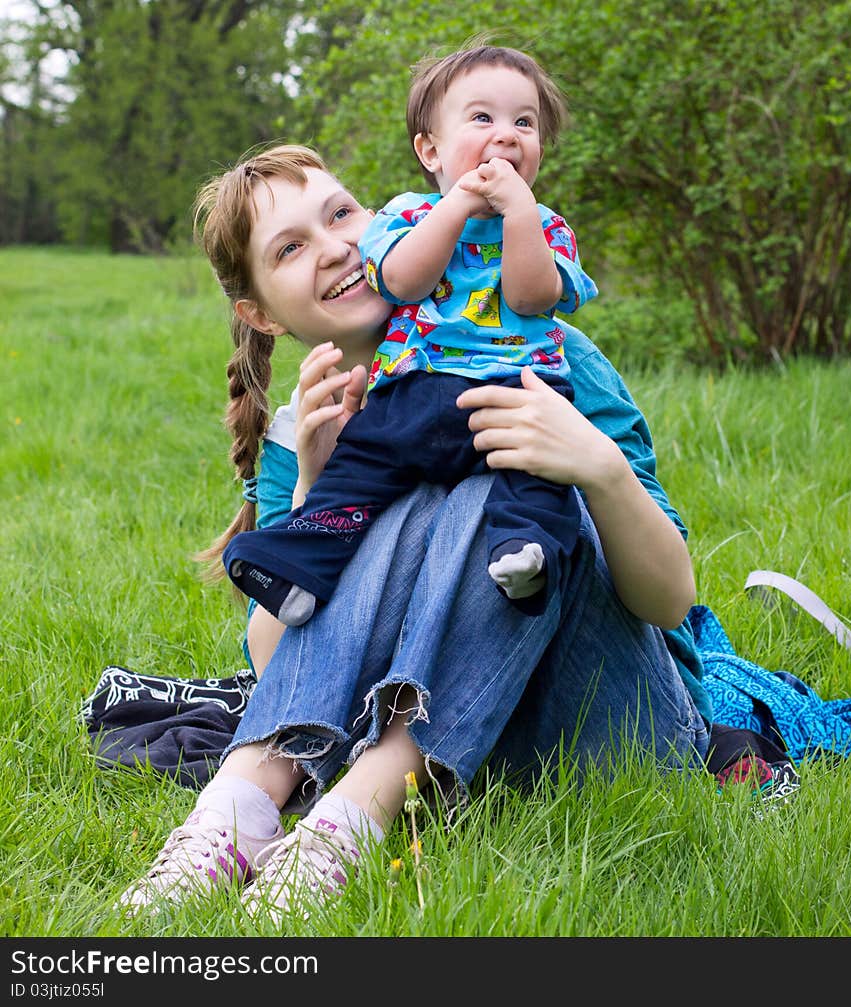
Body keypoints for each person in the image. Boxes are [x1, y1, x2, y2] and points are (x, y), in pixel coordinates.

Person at [117, 141, 712, 925]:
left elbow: (669, 601)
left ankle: (344, 826)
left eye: (341, 214)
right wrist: (313, 487)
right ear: (259, 312)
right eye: (291, 248)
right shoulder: (309, 421)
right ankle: (232, 816)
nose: (333, 248)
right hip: (477, 752)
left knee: (480, 484)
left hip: (613, 720)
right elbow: (276, 663)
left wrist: (597, 468)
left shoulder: (537, 344)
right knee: (382, 493)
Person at [221, 44, 598, 628]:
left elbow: (529, 297)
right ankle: (295, 562)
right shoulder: (411, 217)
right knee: (355, 472)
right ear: (431, 150)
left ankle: (527, 557)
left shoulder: (547, 228)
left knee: (529, 485)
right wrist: (460, 205)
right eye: (482, 119)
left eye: (524, 123)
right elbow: (401, 278)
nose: (506, 136)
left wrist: (520, 212)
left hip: (513, 391)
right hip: (413, 396)